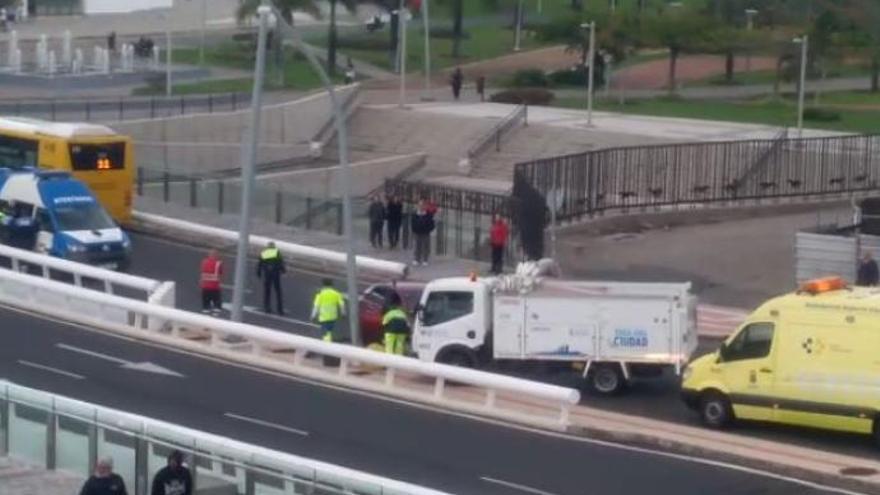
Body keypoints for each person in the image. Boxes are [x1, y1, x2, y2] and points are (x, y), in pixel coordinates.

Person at [256, 241, 285, 315]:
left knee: (267, 291)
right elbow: (280, 262)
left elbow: (260, 263)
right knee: (278, 292)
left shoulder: (264, 253)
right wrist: (283, 270)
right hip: (275, 274)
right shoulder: (277, 252)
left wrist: (258, 273)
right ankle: (280, 309)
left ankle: (267, 307)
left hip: (267, 274)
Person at [411, 200, 435, 266]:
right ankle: (416, 259)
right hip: (417, 232)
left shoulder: (428, 214)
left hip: (425, 233)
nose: (421, 207)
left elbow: (432, 224)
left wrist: (428, 230)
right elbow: (413, 223)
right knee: (417, 246)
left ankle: (425, 260)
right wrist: (414, 230)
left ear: (425, 206)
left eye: (422, 205)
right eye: (420, 205)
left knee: (425, 247)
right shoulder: (415, 214)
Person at [199, 249, 223, 315]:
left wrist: (201, 282)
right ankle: (215, 317)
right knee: (217, 305)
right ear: (216, 255)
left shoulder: (204, 262)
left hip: (205, 287)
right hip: (215, 287)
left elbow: (202, 273)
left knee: (205, 304)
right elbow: (220, 274)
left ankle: (205, 317)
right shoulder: (219, 263)